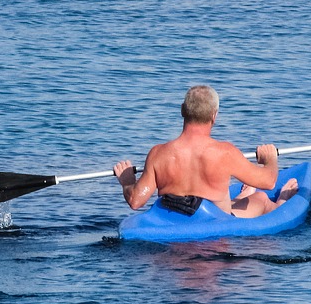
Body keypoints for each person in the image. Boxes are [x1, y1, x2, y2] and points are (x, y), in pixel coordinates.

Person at [114, 85, 298, 218]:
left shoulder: (158, 153)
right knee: (262, 197)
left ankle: (242, 195)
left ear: (182, 111)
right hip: (214, 221)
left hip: (176, 220)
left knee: (212, 198)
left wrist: (127, 180)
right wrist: (270, 159)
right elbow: (269, 181)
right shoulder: (224, 152)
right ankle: (281, 201)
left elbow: (135, 201)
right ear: (214, 116)